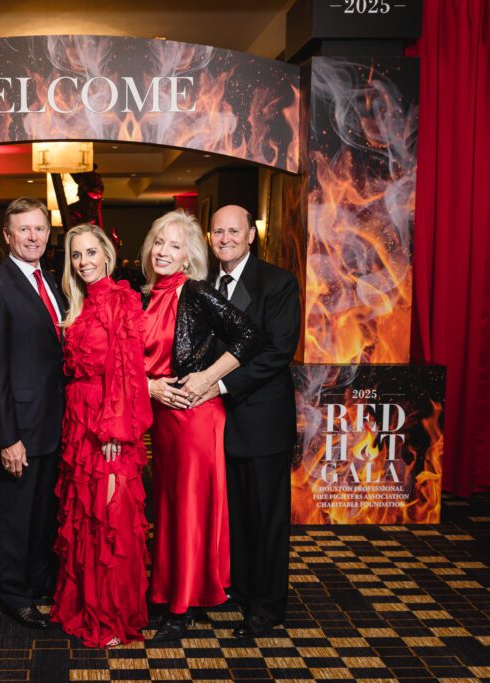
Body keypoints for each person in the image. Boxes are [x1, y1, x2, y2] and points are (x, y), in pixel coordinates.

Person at [140, 210, 259, 642]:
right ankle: (168, 588)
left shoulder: (195, 293)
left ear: (188, 257)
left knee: (187, 508)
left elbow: (249, 336)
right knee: (167, 505)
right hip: (162, 418)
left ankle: (182, 603)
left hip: (194, 416)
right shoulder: (143, 297)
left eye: (175, 245)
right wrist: (150, 387)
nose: (164, 251)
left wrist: (210, 379)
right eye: (159, 243)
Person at [51, 224, 153, 648]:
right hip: (78, 420)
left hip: (106, 421)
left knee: (109, 515)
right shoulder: (78, 303)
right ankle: (83, 604)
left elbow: (127, 369)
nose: (84, 262)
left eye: (91, 253)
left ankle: (110, 616)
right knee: (84, 514)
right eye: (77, 255)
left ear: (107, 255)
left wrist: (115, 428)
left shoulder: (120, 300)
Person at [205, 205, 301, 639]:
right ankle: (242, 588)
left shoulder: (277, 282)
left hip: (260, 419)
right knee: (237, 515)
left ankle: (267, 607)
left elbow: (277, 352)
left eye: (233, 231)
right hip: (217, 423)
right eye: (218, 231)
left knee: (267, 518)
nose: (225, 238)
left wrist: (220, 386)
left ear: (250, 235)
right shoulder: (205, 284)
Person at [0, 197, 67, 630]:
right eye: (23, 230)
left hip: (55, 422)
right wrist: (5, 436)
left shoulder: (51, 279)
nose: (34, 237)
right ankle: (13, 593)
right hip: (20, 428)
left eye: (40, 229)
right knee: (13, 515)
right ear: (7, 236)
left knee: (44, 511)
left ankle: (37, 580)